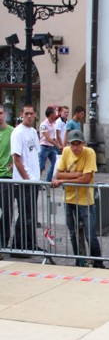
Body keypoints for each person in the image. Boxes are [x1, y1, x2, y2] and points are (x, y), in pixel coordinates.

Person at [52, 130, 104, 268]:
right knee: (72, 233)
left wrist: (65, 179)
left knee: (90, 235)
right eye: (72, 144)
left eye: (78, 144)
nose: (75, 148)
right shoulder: (66, 152)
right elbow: (58, 174)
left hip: (85, 200)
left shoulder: (89, 153)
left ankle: (98, 263)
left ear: (84, 143)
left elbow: (86, 178)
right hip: (69, 199)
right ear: (69, 144)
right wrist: (76, 175)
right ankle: (79, 261)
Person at [10, 103, 40, 253]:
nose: (29, 116)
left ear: (35, 115)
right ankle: (19, 245)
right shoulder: (17, 132)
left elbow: (36, 154)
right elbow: (16, 159)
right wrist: (27, 178)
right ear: (22, 114)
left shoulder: (34, 132)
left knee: (31, 215)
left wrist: (37, 178)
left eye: (31, 114)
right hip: (23, 182)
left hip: (34, 180)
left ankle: (30, 243)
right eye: (26, 113)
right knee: (24, 214)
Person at [0, 105, 14, 256]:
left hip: (5, 177)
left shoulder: (11, 131)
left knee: (6, 210)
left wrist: (15, 164)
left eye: (1, 113)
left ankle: (3, 241)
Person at [38, 106, 59, 182]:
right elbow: (47, 138)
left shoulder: (53, 124)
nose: (55, 115)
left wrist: (57, 143)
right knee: (41, 165)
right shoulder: (44, 124)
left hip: (51, 147)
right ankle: (38, 181)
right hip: (44, 146)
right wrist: (57, 145)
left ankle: (48, 180)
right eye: (54, 113)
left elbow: (53, 136)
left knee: (54, 163)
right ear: (51, 114)